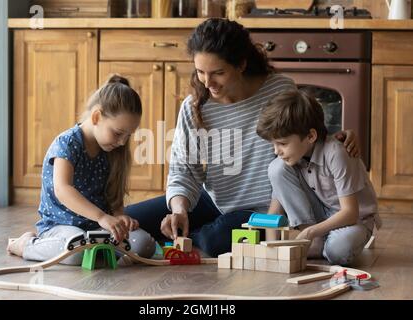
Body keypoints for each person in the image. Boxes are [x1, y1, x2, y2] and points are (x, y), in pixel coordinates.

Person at [125, 18, 360, 257]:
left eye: (218, 73)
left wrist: (335, 138)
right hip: (215, 200)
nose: (208, 83)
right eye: (200, 72)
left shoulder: (279, 90)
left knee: (215, 240)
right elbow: (184, 169)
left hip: (266, 210)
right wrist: (179, 210)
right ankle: (174, 237)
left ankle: (181, 242)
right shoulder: (195, 106)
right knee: (128, 220)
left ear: (241, 65)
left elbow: (302, 138)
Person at [7, 75, 156, 265]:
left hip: (98, 228)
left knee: (144, 245)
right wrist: (102, 217)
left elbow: (113, 195)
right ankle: (25, 244)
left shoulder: (111, 150)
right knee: (76, 250)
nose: (122, 142)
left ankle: (100, 251)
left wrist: (119, 217)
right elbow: (63, 189)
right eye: (118, 133)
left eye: (128, 135)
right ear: (96, 116)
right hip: (62, 226)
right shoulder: (67, 143)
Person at [256, 89, 381, 266]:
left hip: (352, 220)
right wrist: (271, 249)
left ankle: (317, 242)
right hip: (321, 218)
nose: (276, 151)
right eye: (273, 144)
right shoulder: (291, 157)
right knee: (276, 167)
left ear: (311, 136)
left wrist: (309, 233)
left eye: (282, 144)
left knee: (338, 251)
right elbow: (274, 211)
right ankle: (314, 243)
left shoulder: (336, 153)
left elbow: (350, 213)